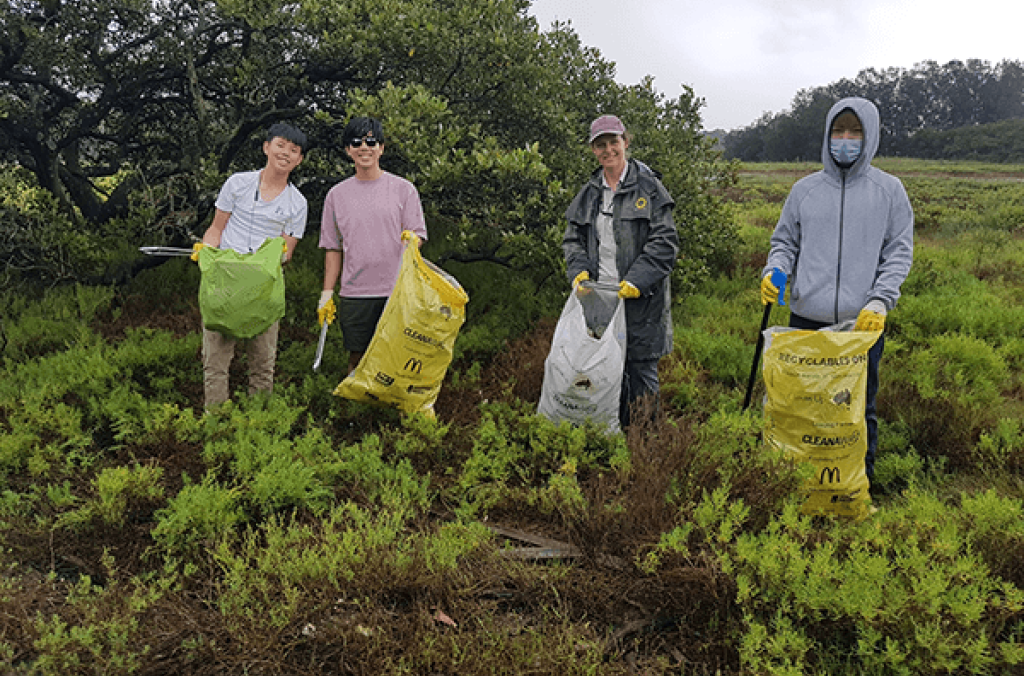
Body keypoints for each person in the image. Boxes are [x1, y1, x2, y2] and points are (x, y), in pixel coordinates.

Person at [761, 96, 914, 483]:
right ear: (827, 135)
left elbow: (898, 253)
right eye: (838, 131)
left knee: (858, 409)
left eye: (855, 132)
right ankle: (799, 484)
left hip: (860, 326)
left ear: (870, 136)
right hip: (805, 320)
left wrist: (880, 301)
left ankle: (857, 488)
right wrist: (776, 270)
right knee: (802, 407)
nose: (845, 139)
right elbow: (785, 243)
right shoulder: (805, 190)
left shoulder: (890, 191)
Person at [563, 114, 680, 428]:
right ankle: (611, 438)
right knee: (605, 369)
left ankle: (644, 444)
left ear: (625, 142)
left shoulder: (650, 188)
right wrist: (578, 271)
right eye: (600, 145)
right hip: (600, 301)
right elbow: (573, 238)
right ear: (593, 150)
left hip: (642, 301)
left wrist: (636, 281)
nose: (608, 150)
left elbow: (665, 243)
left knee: (641, 371)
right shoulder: (589, 192)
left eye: (613, 142)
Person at [193, 122, 309, 409]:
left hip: (263, 291)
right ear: (266, 147)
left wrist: (261, 264)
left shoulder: (298, 204)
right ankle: (216, 422)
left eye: (293, 150)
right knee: (215, 362)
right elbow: (216, 229)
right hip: (225, 285)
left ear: (299, 159)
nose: (286, 153)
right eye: (280, 145)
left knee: (262, 363)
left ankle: (258, 423)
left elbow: (286, 252)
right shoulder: (237, 183)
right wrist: (206, 252)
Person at [318, 117, 428, 375]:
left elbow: (419, 235)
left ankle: (398, 414)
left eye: (371, 141)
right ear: (348, 150)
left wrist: (413, 241)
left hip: (397, 291)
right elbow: (333, 249)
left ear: (381, 148)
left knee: (398, 359)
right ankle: (359, 414)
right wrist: (326, 293)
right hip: (355, 293)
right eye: (356, 142)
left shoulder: (404, 190)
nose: (364, 147)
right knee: (357, 360)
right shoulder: (336, 195)